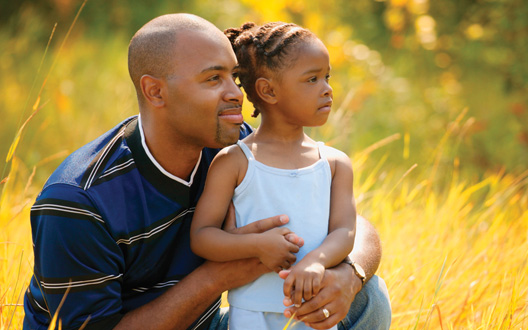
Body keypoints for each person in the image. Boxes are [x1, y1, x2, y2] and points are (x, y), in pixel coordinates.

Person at [23, 13, 391, 330]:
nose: (236, 93)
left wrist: (349, 275)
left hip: (207, 322)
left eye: (234, 76)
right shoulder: (78, 202)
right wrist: (220, 276)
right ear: (155, 91)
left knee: (366, 294)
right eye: (213, 79)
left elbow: (352, 226)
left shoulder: (239, 147)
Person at [190, 22, 355, 330]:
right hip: (253, 314)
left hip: (314, 310)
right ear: (268, 90)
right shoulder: (235, 162)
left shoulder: (334, 164)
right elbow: (202, 237)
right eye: (312, 79)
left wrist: (315, 261)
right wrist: (257, 246)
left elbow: (344, 231)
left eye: (327, 77)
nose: (328, 89)